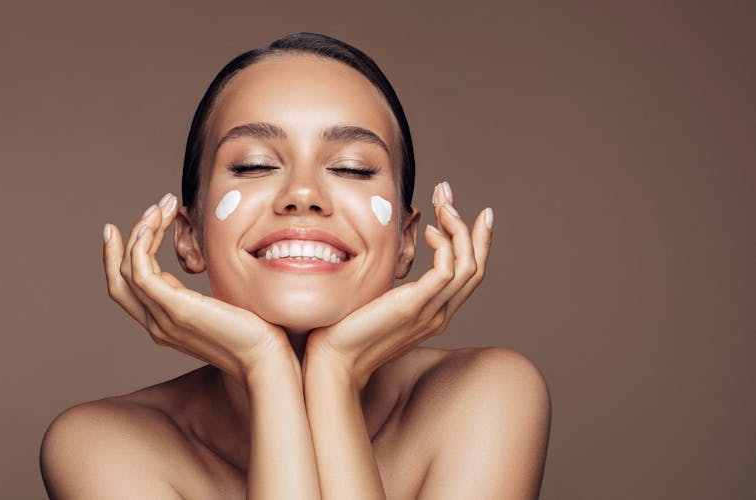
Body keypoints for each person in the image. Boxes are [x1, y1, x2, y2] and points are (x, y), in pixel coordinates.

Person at [40, 32, 551, 499]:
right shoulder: (100, 444)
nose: (303, 195)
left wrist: (335, 372)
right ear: (190, 236)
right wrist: (268, 368)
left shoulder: (484, 397)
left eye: (352, 167)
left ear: (405, 242)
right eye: (254, 165)